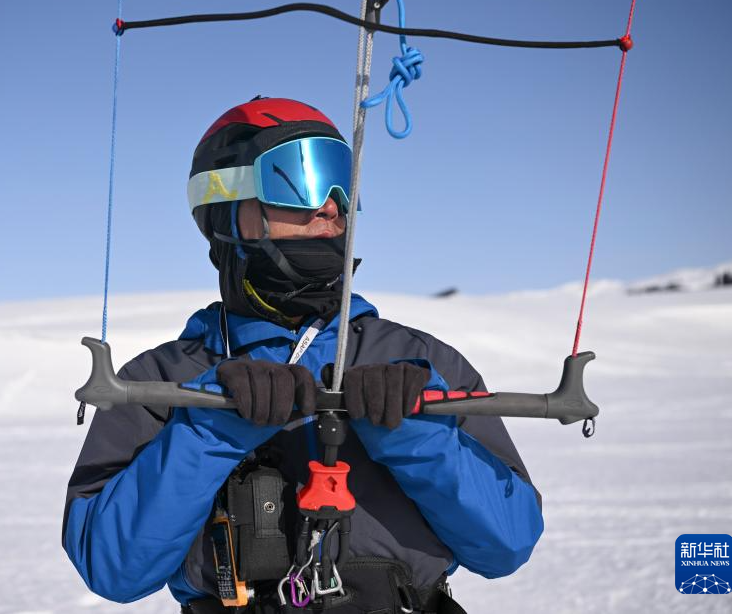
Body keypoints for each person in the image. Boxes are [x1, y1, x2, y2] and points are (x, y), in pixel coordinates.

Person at [63, 97, 543, 614]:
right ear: (228, 205)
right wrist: (209, 430)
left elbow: (507, 545)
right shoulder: (165, 379)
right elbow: (112, 568)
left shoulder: (419, 361)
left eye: (341, 182)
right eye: (300, 179)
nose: (330, 206)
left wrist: (417, 433)